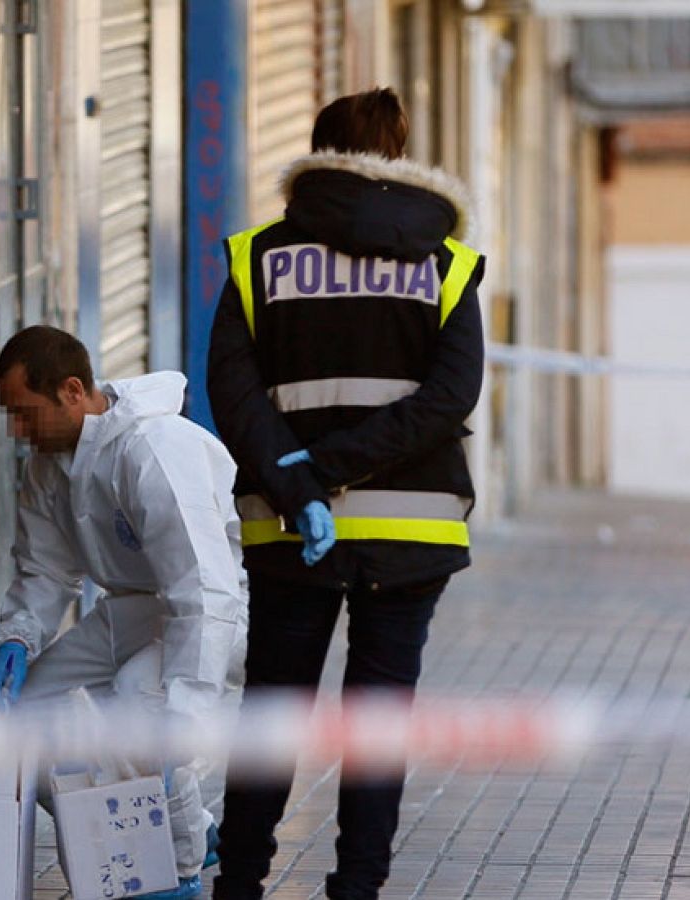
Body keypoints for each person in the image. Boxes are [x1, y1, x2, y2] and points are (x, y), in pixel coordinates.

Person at [206, 87, 485, 900]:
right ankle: (357, 888)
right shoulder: (446, 263)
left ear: (317, 155)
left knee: (272, 714)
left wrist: (303, 478)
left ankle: (240, 884)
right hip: (413, 531)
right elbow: (449, 397)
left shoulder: (256, 257)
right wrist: (339, 469)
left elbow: (235, 392)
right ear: (397, 159)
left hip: (290, 530)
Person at [0, 326, 248, 900]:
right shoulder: (49, 464)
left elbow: (203, 588)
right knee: (28, 714)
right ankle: (173, 833)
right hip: (128, 611)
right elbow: (47, 571)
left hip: (212, 614)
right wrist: (17, 642)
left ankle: (176, 874)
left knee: (140, 712)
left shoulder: (155, 447)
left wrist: (186, 709)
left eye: (26, 413)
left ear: (73, 391)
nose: (18, 431)